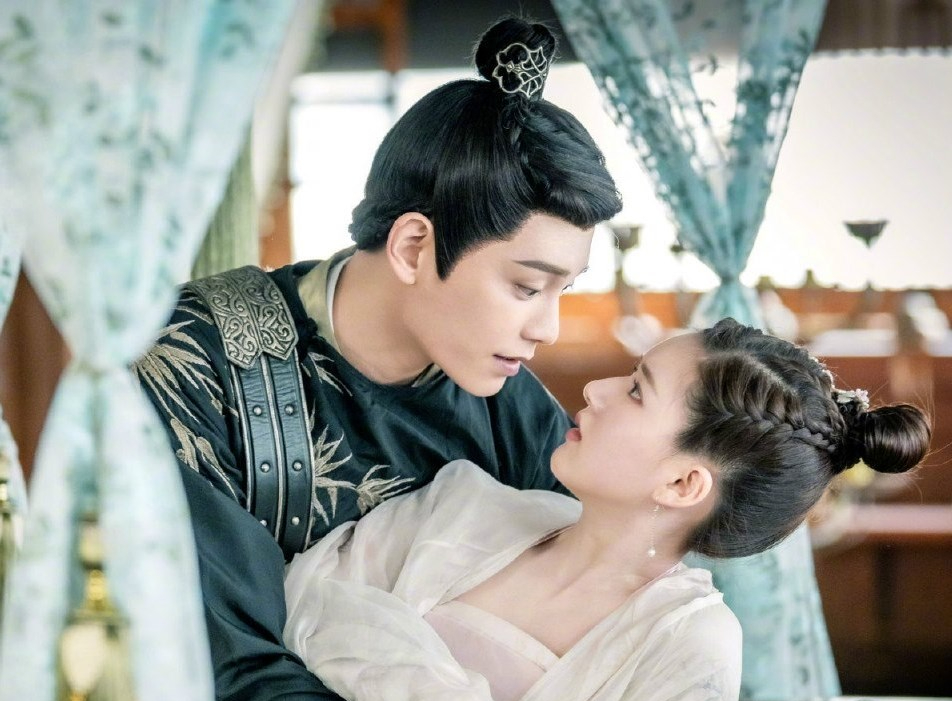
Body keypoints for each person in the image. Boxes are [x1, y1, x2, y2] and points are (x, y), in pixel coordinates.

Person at [132, 16, 622, 701]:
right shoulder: (196, 358)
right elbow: (235, 665)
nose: (547, 328)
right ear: (414, 247)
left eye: (563, 290)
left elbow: (601, 601)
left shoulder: (505, 398)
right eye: (525, 287)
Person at [282, 318, 932, 701]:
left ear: (682, 483)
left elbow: (342, 623)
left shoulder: (689, 643)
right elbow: (303, 597)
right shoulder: (465, 502)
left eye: (637, 391)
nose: (596, 389)